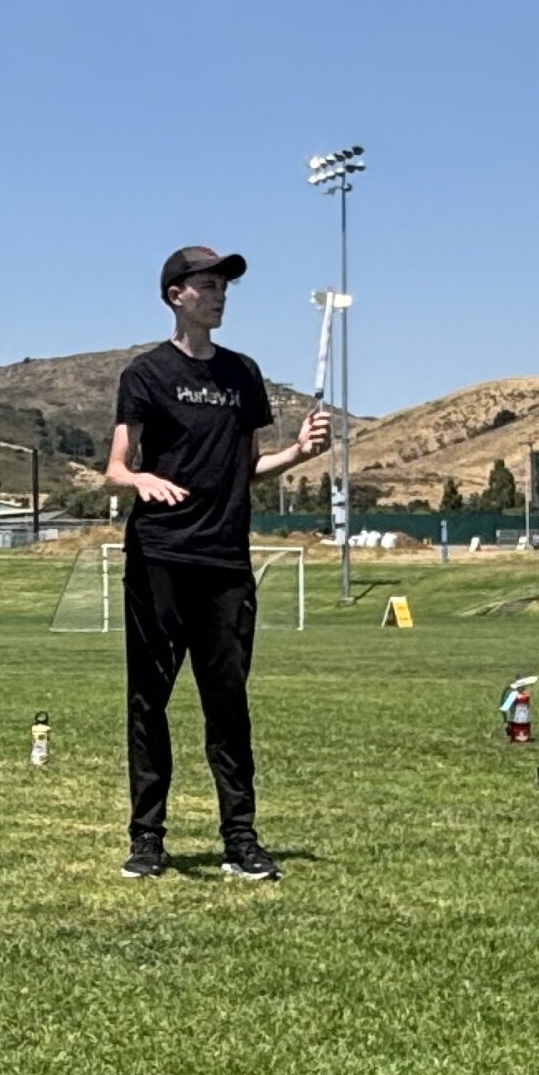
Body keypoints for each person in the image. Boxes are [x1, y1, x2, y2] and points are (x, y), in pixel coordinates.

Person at [106, 246, 330, 882]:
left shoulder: (243, 375)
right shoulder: (145, 375)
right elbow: (116, 467)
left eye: (223, 286)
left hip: (227, 561)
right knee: (150, 700)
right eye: (206, 285)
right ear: (175, 294)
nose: (219, 295)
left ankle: (241, 839)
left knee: (228, 705)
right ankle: (147, 839)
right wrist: (140, 481)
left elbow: (246, 468)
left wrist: (296, 454)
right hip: (160, 557)